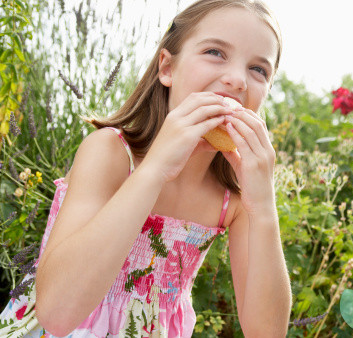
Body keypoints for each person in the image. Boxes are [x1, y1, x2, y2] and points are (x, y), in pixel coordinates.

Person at [0, 0, 292, 336]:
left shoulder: (234, 201)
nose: (238, 79)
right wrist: (154, 170)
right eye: (215, 52)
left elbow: (267, 332)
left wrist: (264, 208)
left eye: (259, 70)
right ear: (167, 68)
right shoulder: (110, 153)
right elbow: (57, 314)